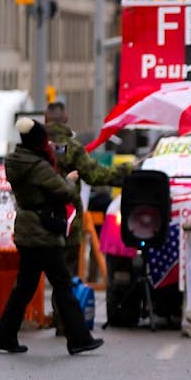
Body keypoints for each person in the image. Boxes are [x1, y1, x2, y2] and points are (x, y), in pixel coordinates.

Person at [0, 118, 104, 355]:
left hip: (25, 229)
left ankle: (4, 335)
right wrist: (70, 181)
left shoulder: (14, 161)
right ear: (38, 142)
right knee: (62, 284)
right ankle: (79, 338)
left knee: (25, 286)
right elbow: (64, 193)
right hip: (43, 233)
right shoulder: (39, 167)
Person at [45, 101, 132, 330]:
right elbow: (96, 175)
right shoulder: (72, 148)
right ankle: (63, 321)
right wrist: (125, 171)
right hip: (66, 219)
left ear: (45, 120)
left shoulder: (33, 147)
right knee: (66, 274)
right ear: (65, 119)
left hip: (36, 219)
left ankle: (13, 324)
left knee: (29, 276)